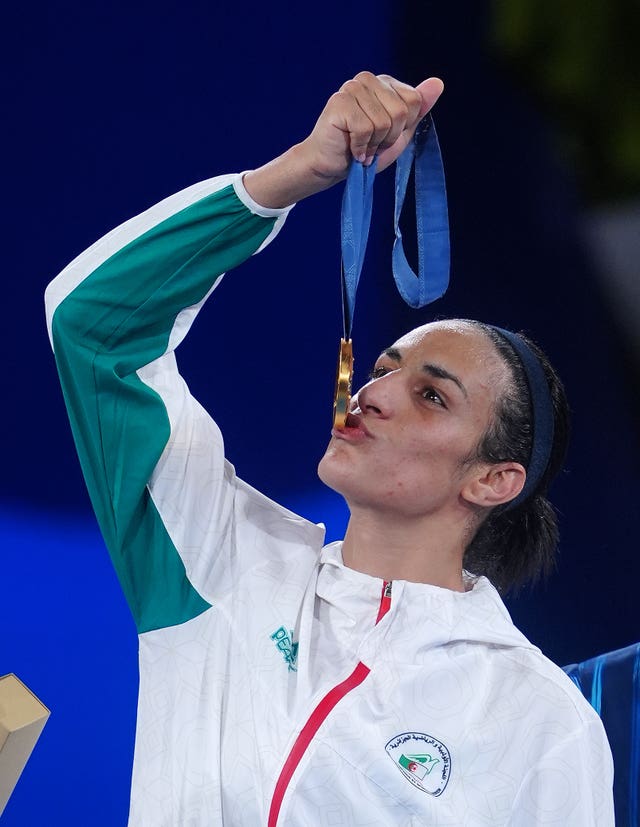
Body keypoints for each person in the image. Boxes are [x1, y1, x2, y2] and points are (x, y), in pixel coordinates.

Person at [45, 72, 614, 825]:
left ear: (494, 478)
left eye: (431, 395)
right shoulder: (220, 556)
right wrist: (290, 177)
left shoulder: (539, 719)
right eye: (383, 369)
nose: (373, 393)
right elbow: (91, 326)